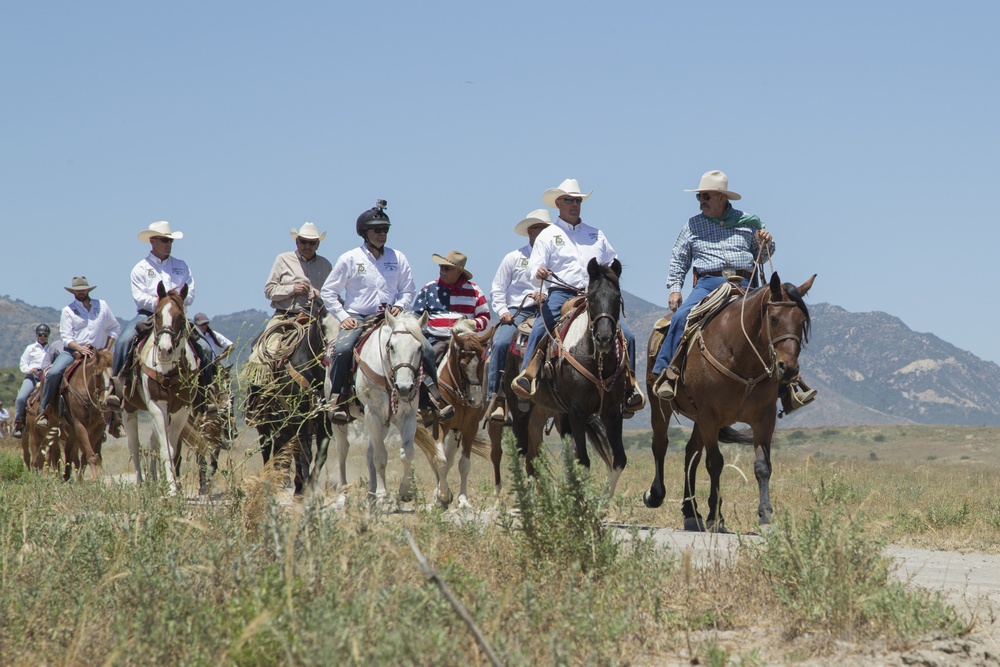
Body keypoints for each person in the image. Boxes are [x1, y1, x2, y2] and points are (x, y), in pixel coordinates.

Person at [651, 170, 813, 409]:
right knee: (682, 316)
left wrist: (766, 240)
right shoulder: (692, 225)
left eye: (705, 196)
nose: (701, 201)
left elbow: (765, 252)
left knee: (773, 320)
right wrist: (675, 289)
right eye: (699, 197)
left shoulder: (749, 222)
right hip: (709, 283)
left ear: (721, 197)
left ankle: (788, 385)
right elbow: (679, 259)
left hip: (745, 285)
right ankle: (668, 372)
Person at [511, 178, 644, 415]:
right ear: (558, 203)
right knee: (541, 327)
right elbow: (533, 268)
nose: (575, 204)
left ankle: (628, 387)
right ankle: (527, 375)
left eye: (578, 200)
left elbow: (612, 263)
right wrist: (539, 271)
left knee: (629, 336)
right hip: (560, 293)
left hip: (593, 294)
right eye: (570, 200)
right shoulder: (548, 235)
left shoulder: (596, 234)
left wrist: (610, 278)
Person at [320, 201, 420, 421]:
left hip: (391, 318)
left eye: (385, 229)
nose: (382, 233)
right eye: (377, 229)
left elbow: (408, 290)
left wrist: (400, 306)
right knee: (343, 349)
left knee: (425, 348)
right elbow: (328, 292)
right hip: (358, 318)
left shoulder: (398, 257)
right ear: (364, 232)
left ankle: (429, 399)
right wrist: (344, 317)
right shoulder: (350, 258)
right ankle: (337, 399)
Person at [107, 221, 195, 408]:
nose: (168, 244)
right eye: (164, 240)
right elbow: (139, 297)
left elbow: (191, 293)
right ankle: (115, 389)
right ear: (152, 241)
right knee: (123, 342)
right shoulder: (140, 268)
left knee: (203, 346)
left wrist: (174, 304)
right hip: (147, 315)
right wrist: (161, 303)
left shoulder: (182, 266)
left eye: (170, 240)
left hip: (177, 317)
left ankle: (206, 395)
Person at [486, 209, 551, 422]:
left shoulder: (555, 258)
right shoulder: (514, 257)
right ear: (530, 231)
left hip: (549, 308)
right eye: (539, 229)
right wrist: (503, 311)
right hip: (518, 310)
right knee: (502, 343)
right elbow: (498, 288)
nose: (542, 234)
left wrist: (546, 294)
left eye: (546, 230)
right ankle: (497, 398)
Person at [412, 250, 490, 419]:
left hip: (465, 341)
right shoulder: (429, 288)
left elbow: (485, 317)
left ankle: (488, 401)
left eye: (447, 268)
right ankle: (424, 402)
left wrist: (471, 324)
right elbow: (416, 315)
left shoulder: (474, 290)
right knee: (424, 359)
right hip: (436, 338)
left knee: (484, 363)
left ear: (458, 271)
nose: (442, 271)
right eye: (441, 267)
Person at [36, 277, 121, 428]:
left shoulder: (102, 306)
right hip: (73, 351)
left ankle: (117, 417)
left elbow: (114, 328)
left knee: (117, 374)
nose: (81, 292)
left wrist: (107, 348)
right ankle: (45, 410)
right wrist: (79, 348)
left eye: (83, 289)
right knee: (54, 372)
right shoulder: (68, 310)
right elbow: (66, 337)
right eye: (78, 290)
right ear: (73, 292)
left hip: (99, 352)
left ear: (88, 290)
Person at [263, 221, 338, 342]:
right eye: (303, 242)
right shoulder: (283, 259)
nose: (307, 246)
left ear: (317, 244)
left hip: (316, 319)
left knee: (337, 345)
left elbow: (335, 295)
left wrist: (321, 296)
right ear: (297, 241)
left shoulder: (325, 265)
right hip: (285, 317)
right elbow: (269, 291)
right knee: (266, 348)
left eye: (312, 243)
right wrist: (292, 289)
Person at [13, 324, 55, 437]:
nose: (42, 337)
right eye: (40, 334)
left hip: (46, 376)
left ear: (48, 336)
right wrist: (29, 369)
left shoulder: (51, 349)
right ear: (36, 335)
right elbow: (23, 364)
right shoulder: (30, 348)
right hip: (32, 376)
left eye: (45, 335)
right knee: (21, 398)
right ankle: (19, 423)